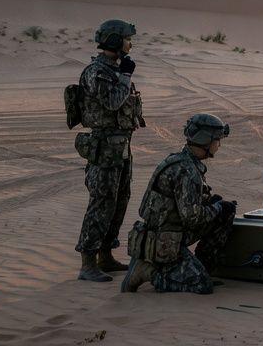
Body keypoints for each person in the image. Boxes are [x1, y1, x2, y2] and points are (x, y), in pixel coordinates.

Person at [121, 113, 236, 293]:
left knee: (224, 212)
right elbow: (192, 218)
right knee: (201, 286)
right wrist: (217, 208)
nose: (219, 145)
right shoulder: (188, 172)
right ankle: (147, 272)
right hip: (164, 240)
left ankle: (200, 266)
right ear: (206, 141)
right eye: (217, 140)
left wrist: (214, 206)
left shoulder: (181, 161)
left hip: (170, 231)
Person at [74, 19, 145, 282]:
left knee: (120, 199)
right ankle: (88, 262)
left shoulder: (115, 70)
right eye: (127, 39)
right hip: (104, 148)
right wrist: (126, 76)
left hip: (121, 146)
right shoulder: (96, 72)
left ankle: (105, 255)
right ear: (115, 41)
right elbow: (114, 102)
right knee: (101, 202)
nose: (130, 43)